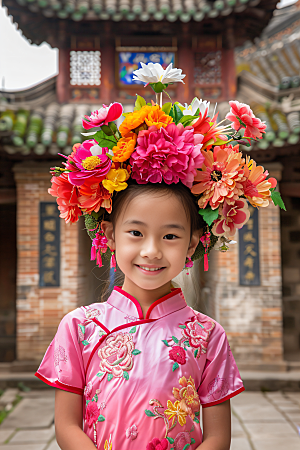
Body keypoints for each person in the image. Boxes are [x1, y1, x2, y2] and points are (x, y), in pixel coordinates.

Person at [35, 62, 284, 450]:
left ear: (193, 243)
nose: (151, 250)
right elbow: (66, 427)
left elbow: (218, 437)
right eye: (135, 232)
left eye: (170, 235)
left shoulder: (207, 336)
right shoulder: (80, 328)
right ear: (108, 235)